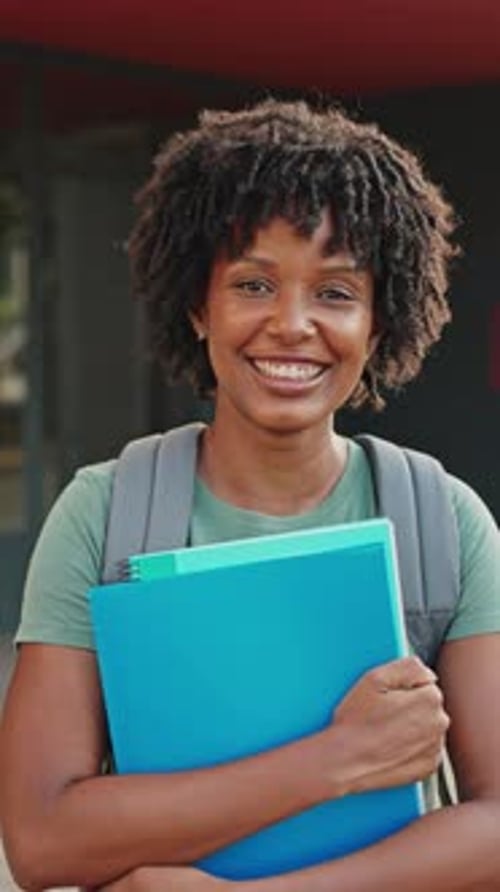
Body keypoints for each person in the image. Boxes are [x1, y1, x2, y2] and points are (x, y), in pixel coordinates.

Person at [1, 98, 500, 892]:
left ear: (379, 321)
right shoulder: (104, 515)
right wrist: (335, 760)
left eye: (336, 293)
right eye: (253, 283)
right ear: (198, 306)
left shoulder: (442, 519)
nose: (293, 324)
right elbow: (41, 839)